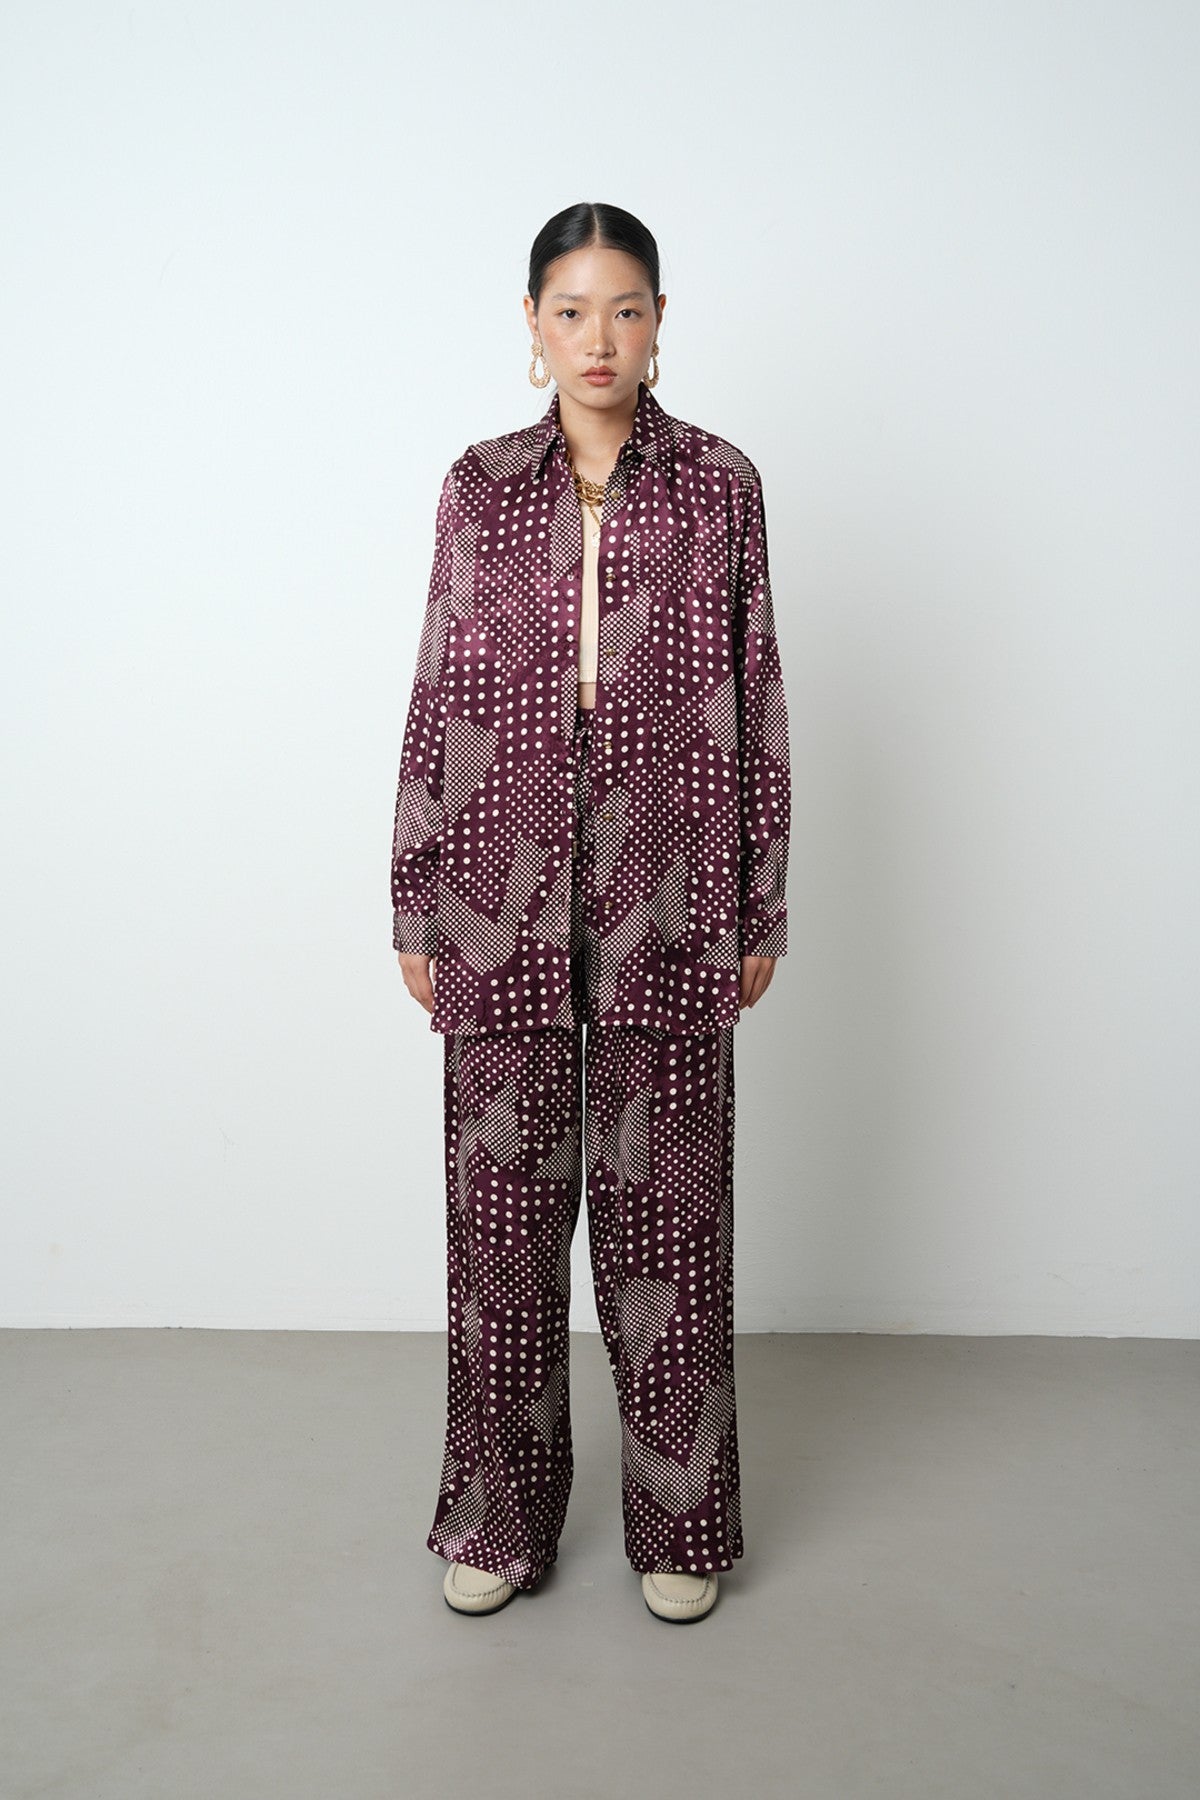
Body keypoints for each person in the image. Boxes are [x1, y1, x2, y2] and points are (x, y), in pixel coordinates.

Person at [390, 202, 792, 1623]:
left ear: (661, 319)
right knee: (500, 1239)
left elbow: (755, 690)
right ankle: (498, 1521)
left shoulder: (719, 484)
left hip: (667, 898)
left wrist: (760, 899)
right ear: (533, 324)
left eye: (625, 309)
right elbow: (439, 690)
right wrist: (415, 897)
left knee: (667, 1230)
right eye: (572, 311)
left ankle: (681, 1524)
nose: (599, 338)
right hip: (496, 901)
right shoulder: (480, 485)